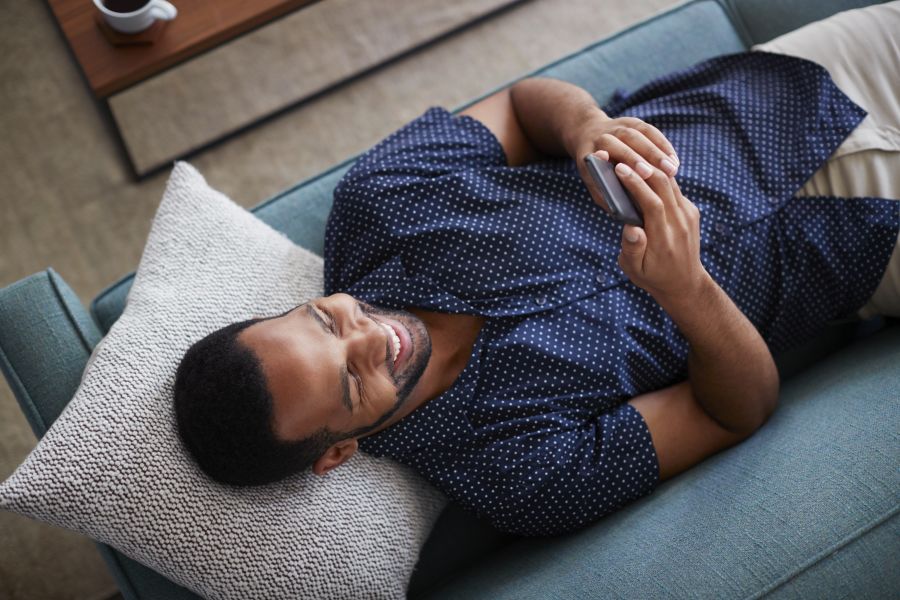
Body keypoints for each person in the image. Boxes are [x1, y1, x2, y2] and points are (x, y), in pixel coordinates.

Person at [173, 3, 900, 536]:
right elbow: (735, 412)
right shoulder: (518, 476)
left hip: (798, 85)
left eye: (324, 320)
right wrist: (689, 291)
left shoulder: (381, 202)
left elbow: (522, 106)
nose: (369, 336)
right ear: (338, 451)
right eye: (348, 382)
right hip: (861, 250)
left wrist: (585, 127)